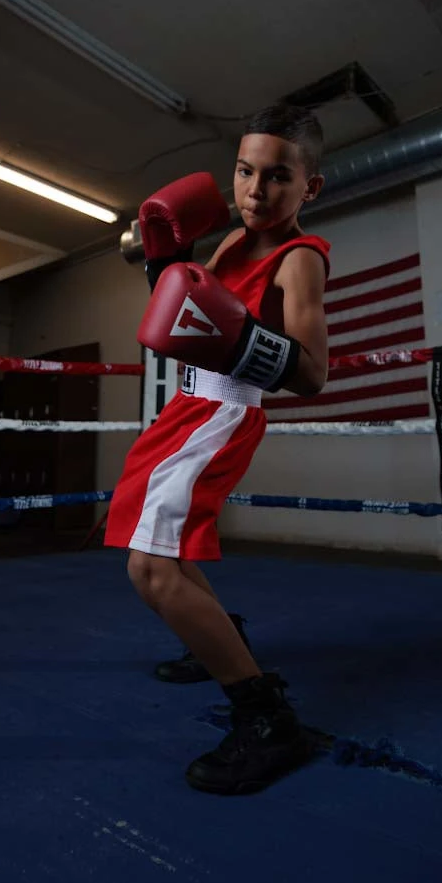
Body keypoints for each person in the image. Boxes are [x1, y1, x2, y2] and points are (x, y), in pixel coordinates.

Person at [104, 102, 330, 794]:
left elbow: (313, 374)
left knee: (151, 568)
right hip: (185, 405)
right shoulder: (232, 241)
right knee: (156, 547)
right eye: (245, 172)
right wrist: (164, 264)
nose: (257, 190)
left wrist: (243, 341)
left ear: (309, 187)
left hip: (223, 413)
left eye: (278, 176)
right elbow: (188, 311)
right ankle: (216, 638)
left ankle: (268, 720)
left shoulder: (300, 260)